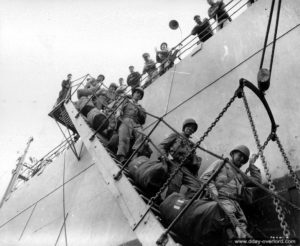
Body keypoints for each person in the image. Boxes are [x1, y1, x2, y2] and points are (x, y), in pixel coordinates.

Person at [200, 145, 262, 238]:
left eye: (244, 158)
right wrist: (214, 193)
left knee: (242, 229)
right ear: (233, 154)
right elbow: (205, 177)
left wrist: (251, 164)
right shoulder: (221, 163)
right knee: (228, 226)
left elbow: (257, 181)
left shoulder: (240, 175)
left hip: (236, 205)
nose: (241, 159)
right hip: (221, 200)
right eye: (240, 155)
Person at [158, 119, 202, 197]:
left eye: (193, 128)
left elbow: (193, 161)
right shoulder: (176, 135)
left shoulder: (192, 145)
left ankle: (181, 203)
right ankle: (167, 204)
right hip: (173, 162)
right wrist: (165, 157)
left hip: (184, 167)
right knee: (176, 183)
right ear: (184, 127)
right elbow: (162, 146)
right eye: (189, 126)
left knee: (197, 187)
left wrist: (194, 160)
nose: (190, 129)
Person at [116, 87, 146, 163]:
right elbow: (119, 108)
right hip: (126, 119)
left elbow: (143, 121)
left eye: (140, 94)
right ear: (133, 93)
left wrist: (140, 111)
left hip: (136, 123)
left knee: (142, 135)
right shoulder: (126, 101)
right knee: (124, 135)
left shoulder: (141, 108)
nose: (138, 95)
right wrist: (118, 113)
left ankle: (134, 156)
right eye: (137, 92)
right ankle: (121, 156)